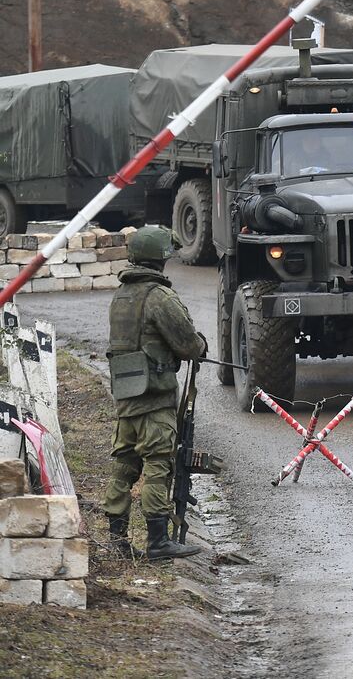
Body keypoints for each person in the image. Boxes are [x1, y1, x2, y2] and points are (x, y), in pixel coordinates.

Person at [102, 226, 207, 561]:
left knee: (124, 465)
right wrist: (200, 345)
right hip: (155, 398)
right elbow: (189, 344)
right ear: (161, 258)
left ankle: (115, 539)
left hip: (126, 396)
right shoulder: (159, 297)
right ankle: (158, 541)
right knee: (158, 465)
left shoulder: (121, 295)